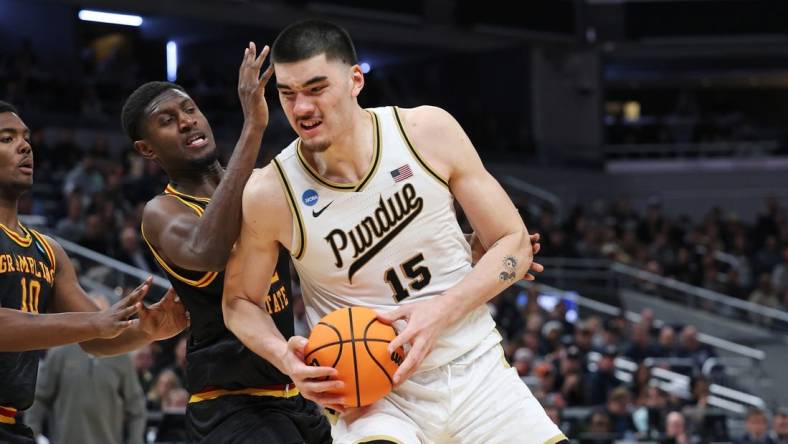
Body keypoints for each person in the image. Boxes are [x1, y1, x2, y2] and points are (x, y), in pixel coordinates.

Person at [222, 20, 564, 443]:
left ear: (355, 80)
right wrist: (285, 359)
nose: (302, 108)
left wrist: (440, 311)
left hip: (475, 371)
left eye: (316, 88)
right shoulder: (270, 191)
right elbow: (238, 301)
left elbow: (513, 244)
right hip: (373, 396)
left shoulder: (425, 131)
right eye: (288, 94)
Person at [120, 42, 331, 443]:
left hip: (291, 392)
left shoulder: (260, 189)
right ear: (147, 149)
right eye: (167, 120)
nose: (186, 122)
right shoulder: (162, 211)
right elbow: (208, 251)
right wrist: (253, 126)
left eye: (189, 110)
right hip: (230, 406)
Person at [0, 100, 187, 444]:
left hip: (12, 424)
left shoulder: (47, 251)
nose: (25, 145)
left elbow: (97, 339)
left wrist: (149, 330)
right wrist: (95, 322)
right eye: (6, 139)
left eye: (25, 137)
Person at [26, 297, 146, 444]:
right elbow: (39, 397)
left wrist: (135, 440)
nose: (99, 320)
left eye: (101, 314)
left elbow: (136, 408)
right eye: (92, 315)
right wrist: (33, 435)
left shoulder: (122, 357)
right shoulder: (60, 352)